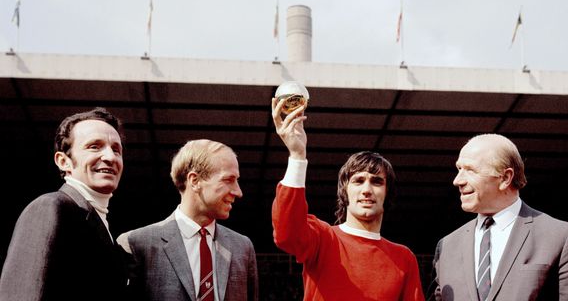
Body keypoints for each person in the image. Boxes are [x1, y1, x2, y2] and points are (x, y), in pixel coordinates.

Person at [271, 97, 424, 301]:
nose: (367, 190)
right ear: (345, 192)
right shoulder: (323, 238)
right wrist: (298, 156)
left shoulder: (404, 258)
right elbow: (286, 234)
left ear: (388, 192)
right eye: (358, 181)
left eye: (377, 182)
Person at [430, 133, 568, 301]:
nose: (457, 181)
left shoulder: (560, 237)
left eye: (470, 170)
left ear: (505, 178)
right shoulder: (447, 246)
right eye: (459, 169)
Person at [0, 107, 128, 301]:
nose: (110, 157)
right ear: (63, 161)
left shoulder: (103, 226)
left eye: (116, 150)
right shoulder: (50, 208)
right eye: (94, 146)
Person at [117, 139, 258, 301]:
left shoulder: (243, 247)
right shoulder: (137, 244)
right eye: (228, 180)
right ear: (195, 181)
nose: (238, 192)